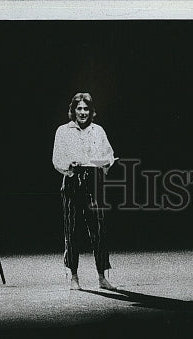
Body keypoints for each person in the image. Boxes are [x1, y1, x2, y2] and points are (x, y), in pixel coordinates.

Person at [52, 92, 116, 291]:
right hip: (72, 181)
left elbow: (109, 155)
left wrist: (104, 162)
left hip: (94, 181)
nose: (82, 112)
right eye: (79, 108)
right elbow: (57, 159)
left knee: (99, 230)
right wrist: (69, 167)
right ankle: (73, 276)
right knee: (71, 231)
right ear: (73, 110)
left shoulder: (98, 131)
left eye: (86, 108)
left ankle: (102, 277)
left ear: (91, 111)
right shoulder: (63, 131)